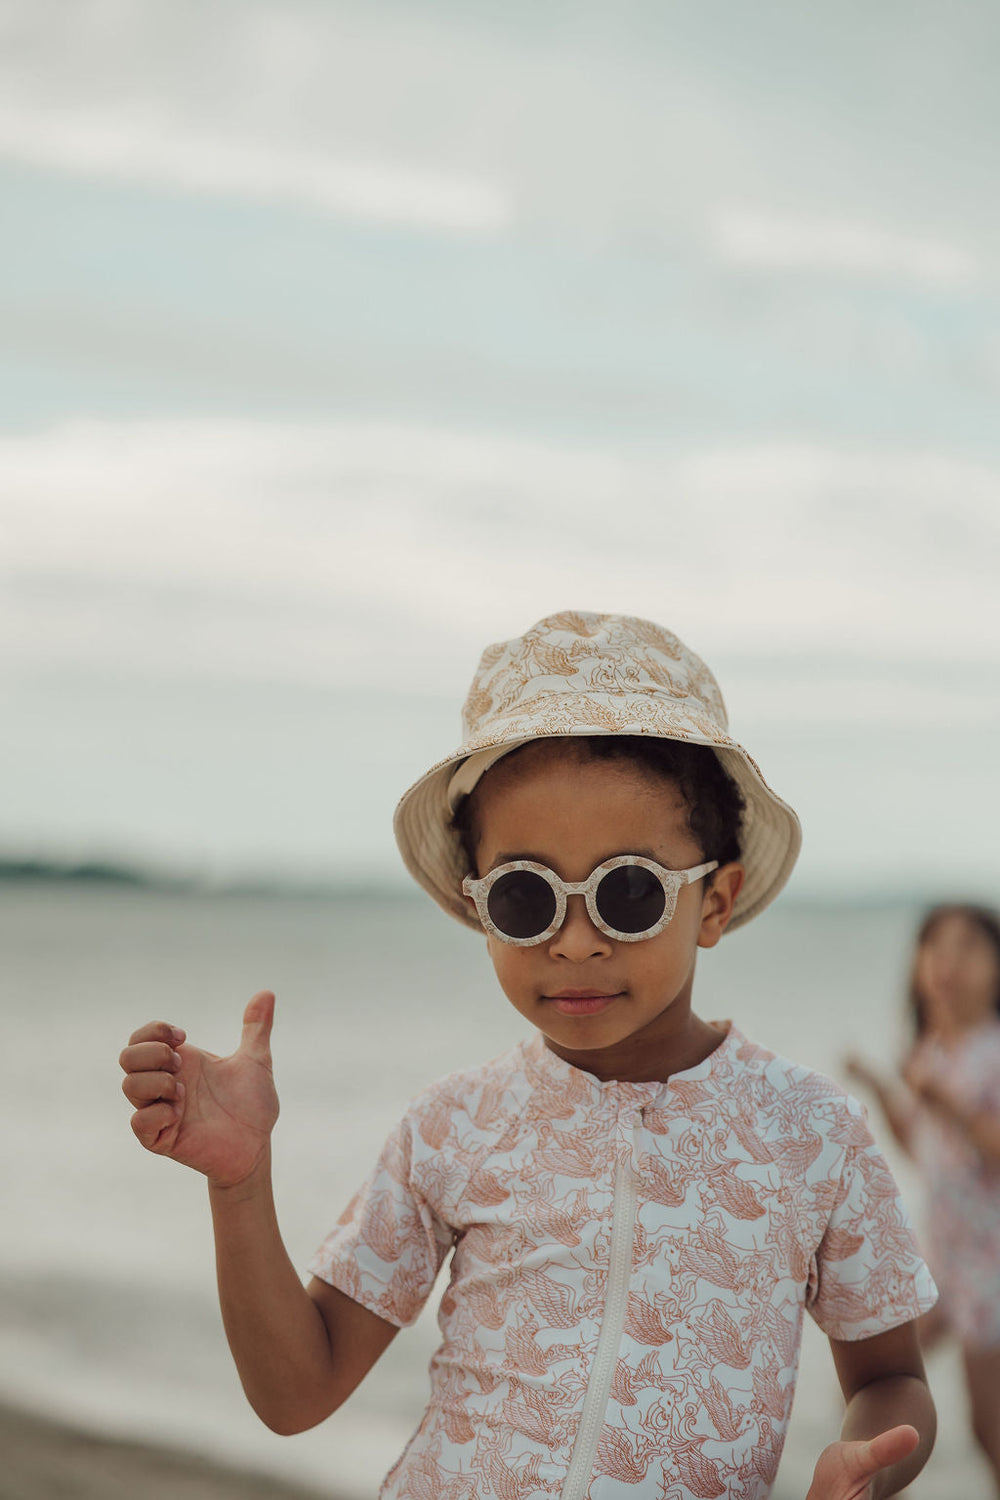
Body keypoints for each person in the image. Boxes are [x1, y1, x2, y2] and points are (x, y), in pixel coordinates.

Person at [120, 611, 937, 1499]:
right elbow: (295, 1392)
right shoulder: (453, 1126)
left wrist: (863, 1469)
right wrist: (240, 1183)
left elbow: (890, 1376)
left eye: (629, 892)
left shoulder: (811, 1132)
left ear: (715, 901)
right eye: (525, 897)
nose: (576, 942)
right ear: (480, 908)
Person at [846, 902, 1000, 1488]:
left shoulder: (991, 1050)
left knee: (990, 1426)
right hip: (941, 1259)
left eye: (968, 947)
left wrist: (945, 1103)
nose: (947, 961)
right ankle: (868, 1486)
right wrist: (883, 1088)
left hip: (990, 1266)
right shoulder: (931, 1052)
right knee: (882, 1387)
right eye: (935, 947)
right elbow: (925, 1153)